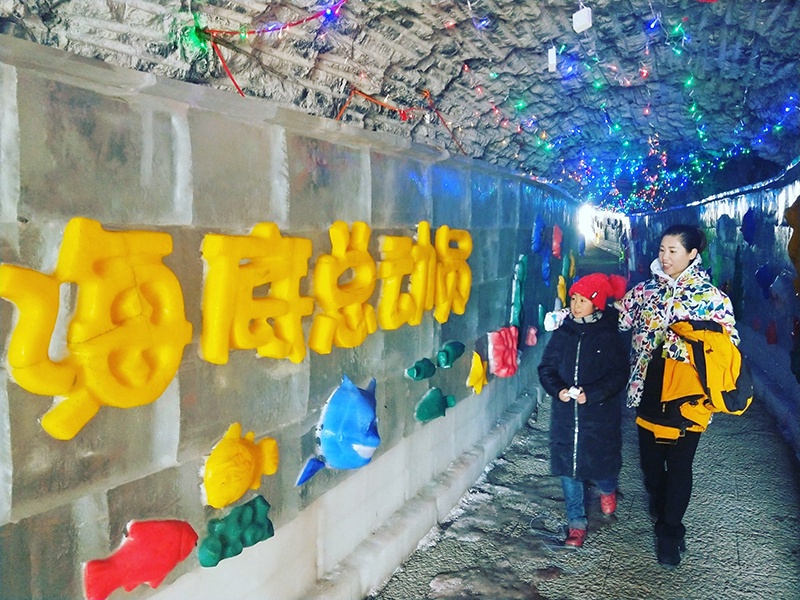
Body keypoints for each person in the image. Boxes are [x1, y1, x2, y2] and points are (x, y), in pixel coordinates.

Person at [617, 224, 739, 566]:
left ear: (692, 254)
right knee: (651, 465)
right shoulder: (644, 292)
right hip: (647, 389)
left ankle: (670, 532)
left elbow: (728, 348)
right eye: (662, 249)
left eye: (673, 250)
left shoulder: (712, 299)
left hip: (689, 395)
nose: (665, 256)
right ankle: (661, 503)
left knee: (680, 464)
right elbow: (621, 321)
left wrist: (684, 347)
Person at [538, 272, 629, 548]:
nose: (576, 305)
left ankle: (607, 488)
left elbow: (618, 375)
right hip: (566, 417)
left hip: (598, 417)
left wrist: (593, 394)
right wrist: (558, 390)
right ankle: (576, 523)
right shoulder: (563, 333)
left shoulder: (609, 336)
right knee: (569, 468)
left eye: (583, 300)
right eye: (574, 299)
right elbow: (547, 368)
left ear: (596, 304)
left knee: (601, 465)